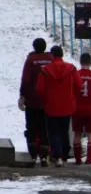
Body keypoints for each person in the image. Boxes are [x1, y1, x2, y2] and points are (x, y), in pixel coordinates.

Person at [35, 46, 82, 167]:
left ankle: (57, 155)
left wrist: (46, 98)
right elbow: (79, 84)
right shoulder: (71, 68)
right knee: (64, 130)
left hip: (51, 106)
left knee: (54, 132)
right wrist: (72, 97)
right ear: (62, 54)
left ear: (52, 55)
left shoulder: (45, 70)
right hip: (67, 105)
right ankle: (64, 155)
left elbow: (40, 89)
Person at [19, 38, 53, 166]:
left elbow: (25, 80)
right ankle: (44, 156)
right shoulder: (51, 59)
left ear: (34, 47)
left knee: (31, 128)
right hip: (47, 101)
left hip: (32, 100)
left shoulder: (30, 60)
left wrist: (22, 95)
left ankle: (33, 156)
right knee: (45, 128)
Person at [72, 53, 91, 165]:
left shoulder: (76, 75)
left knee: (77, 134)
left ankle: (78, 159)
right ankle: (89, 160)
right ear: (90, 63)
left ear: (80, 62)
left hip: (77, 109)